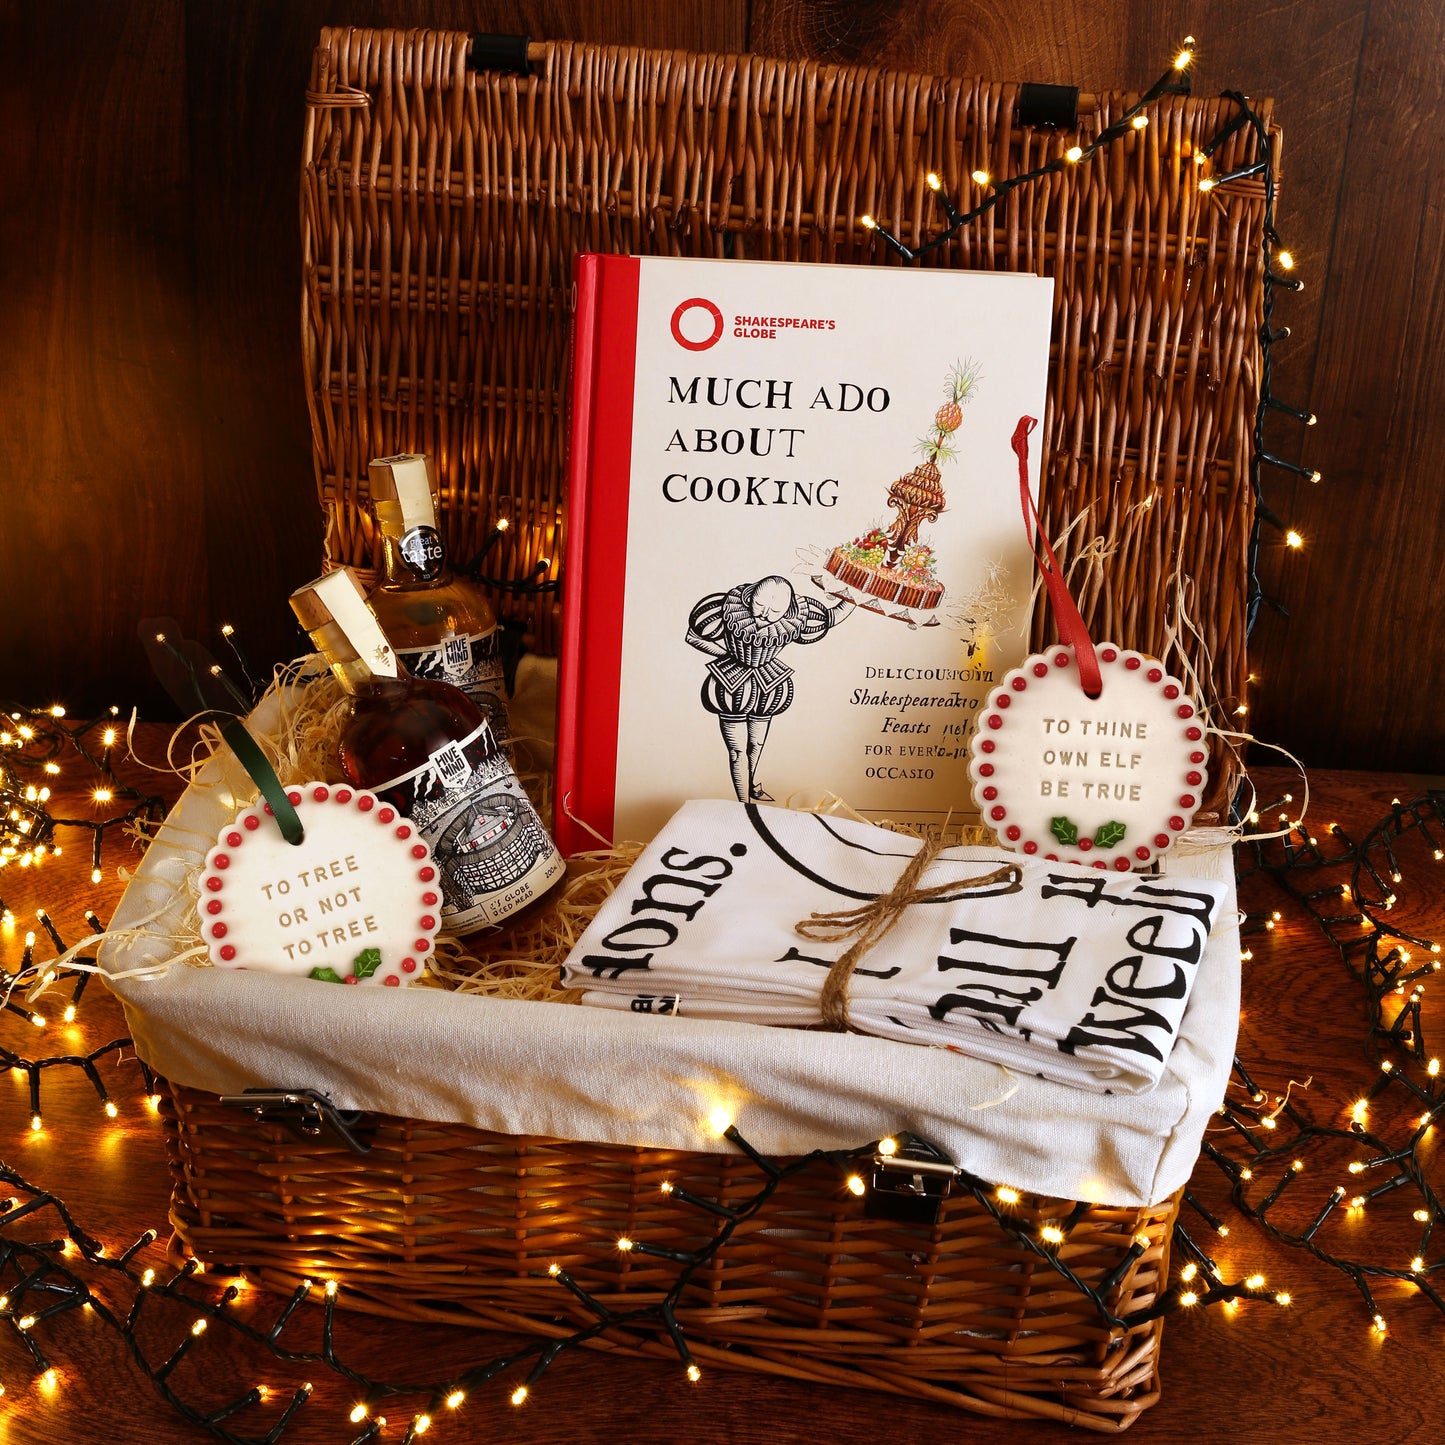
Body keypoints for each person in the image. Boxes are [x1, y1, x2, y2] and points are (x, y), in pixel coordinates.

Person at [686, 575, 854, 803]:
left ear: (786, 609)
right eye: (759, 605)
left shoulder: (799, 616)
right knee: (737, 752)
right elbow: (693, 636)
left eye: (775, 612)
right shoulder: (728, 607)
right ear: (750, 597)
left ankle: (752, 785)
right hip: (730, 684)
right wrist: (727, 654)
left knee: (756, 743)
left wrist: (857, 593)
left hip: (768, 684)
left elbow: (834, 616)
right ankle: (744, 805)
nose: (765, 615)